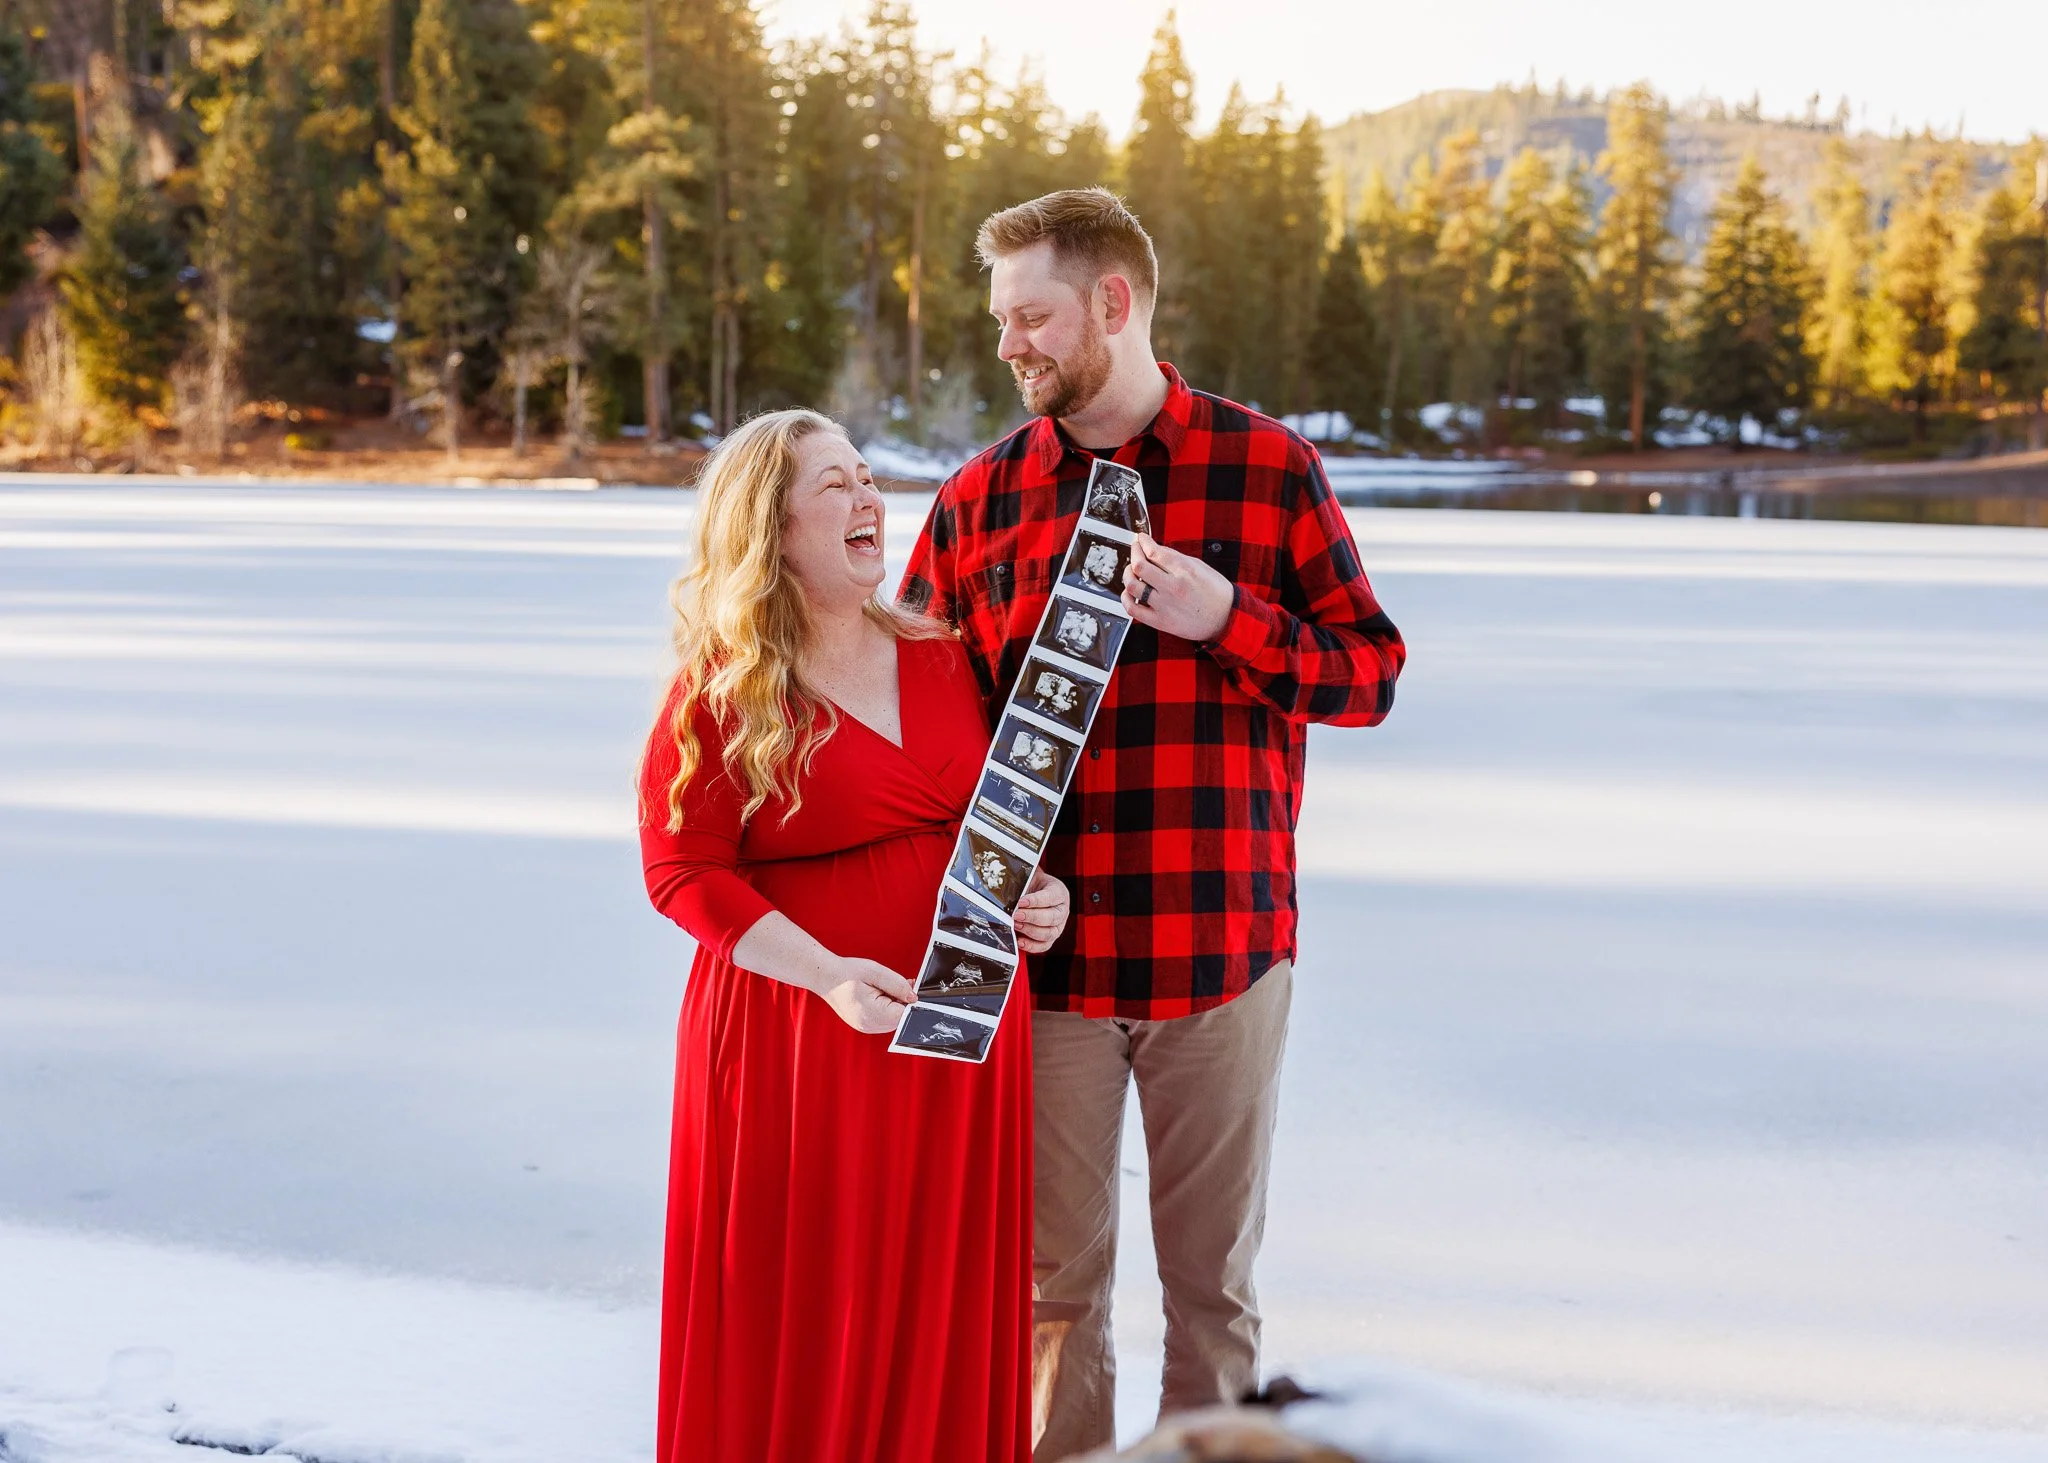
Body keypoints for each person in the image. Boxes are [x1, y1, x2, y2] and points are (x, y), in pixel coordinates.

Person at [900, 189, 1407, 1460]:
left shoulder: (1267, 468)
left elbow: (1369, 676)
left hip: (1221, 957)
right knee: (1048, 1292)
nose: (1007, 344)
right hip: (1049, 972)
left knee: (1211, 1295)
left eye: (1031, 317)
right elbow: (915, 729)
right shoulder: (978, 498)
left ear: (1111, 305)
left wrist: (1225, 615)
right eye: (999, 318)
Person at [636, 409, 1072, 1463]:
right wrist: (825, 974)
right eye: (835, 485)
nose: (870, 498)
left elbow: (986, 821)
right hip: (803, 1046)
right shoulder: (726, 685)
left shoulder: (937, 655)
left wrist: (1034, 890)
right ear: (773, 528)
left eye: (869, 477)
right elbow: (679, 870)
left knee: (943, 1296)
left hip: (961, 1033)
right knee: (810, 1305)